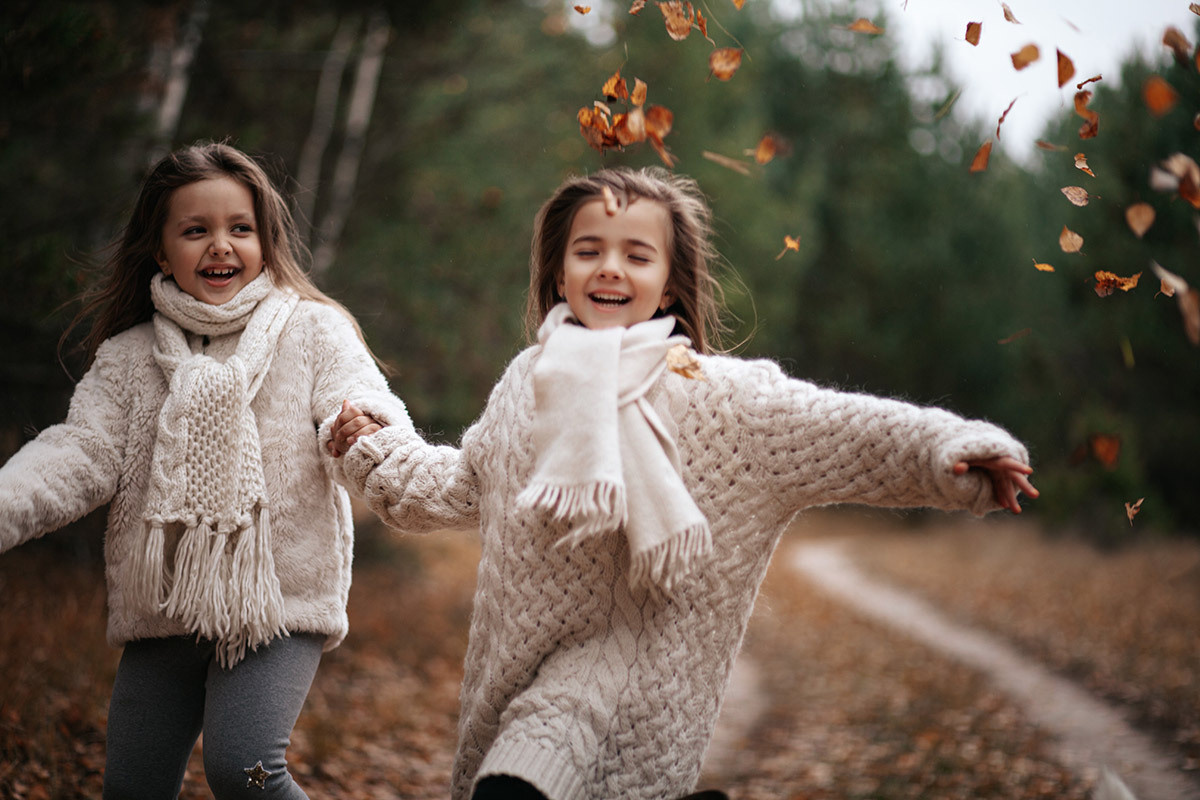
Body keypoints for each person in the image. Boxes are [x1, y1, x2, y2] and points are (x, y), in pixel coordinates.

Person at [327, 166, 1038, 800]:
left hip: (628, 689)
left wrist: (950, 452)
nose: (610, 267)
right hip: (516, 678)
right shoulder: (527, 385)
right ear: (558, 273)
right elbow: (457, 486)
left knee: (515, 786)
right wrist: (375, 449)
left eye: (636, 254)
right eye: (588, 250)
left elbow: (843, 428)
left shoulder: (716, 398)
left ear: (668, 281)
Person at [0, 141, 417, 799]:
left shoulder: (312, 331)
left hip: (277, 607)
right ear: (162, 251)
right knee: (132, 788)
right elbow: (77, 454)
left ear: (266, 242)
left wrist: (362, 429)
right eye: (196, 230)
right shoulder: (130, 357)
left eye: (239, 229)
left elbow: (363, 402)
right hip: (163, 610)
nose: (220, 245)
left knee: (245, 772)